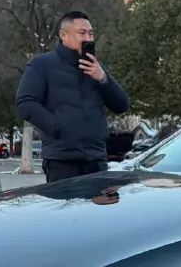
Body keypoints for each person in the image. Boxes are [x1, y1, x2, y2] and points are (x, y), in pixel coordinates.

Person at [15, 10, 130, 182]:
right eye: (82, 33)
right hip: (62, 160)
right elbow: (25, 103)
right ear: (63, 35)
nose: (88, 38)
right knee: (67, 208)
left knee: (99, 209)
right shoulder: (42, 64)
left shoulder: (97, 68)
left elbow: (122, 105)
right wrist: (58, 126)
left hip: (97, 159)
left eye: (90, 33)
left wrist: (103, 79)